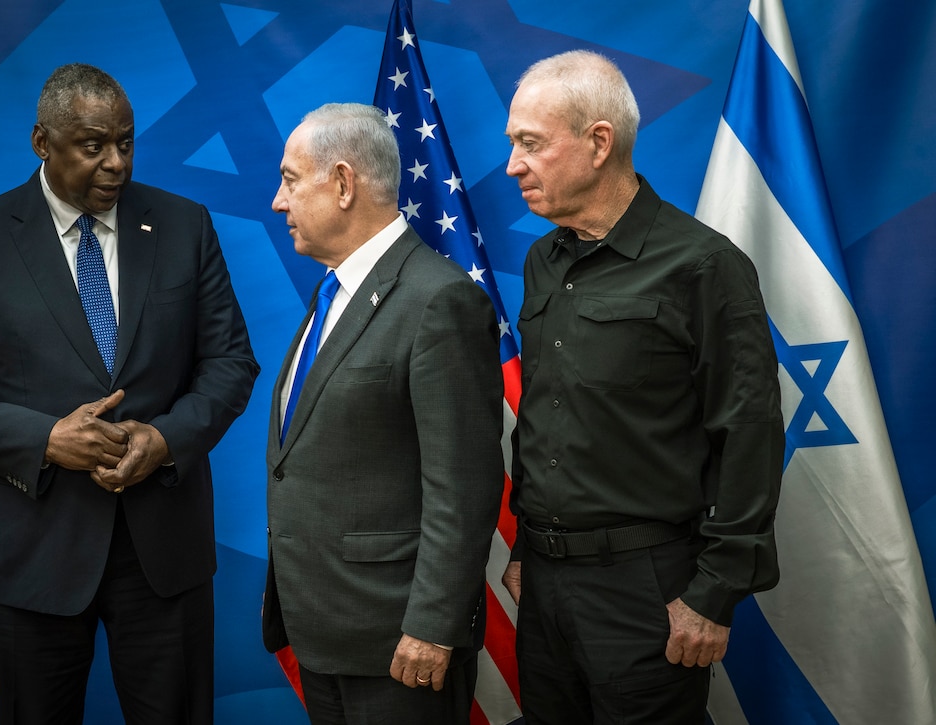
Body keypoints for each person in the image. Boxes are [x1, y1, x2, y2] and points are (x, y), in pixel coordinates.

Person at [0, 63, 258, 724]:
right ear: (43, 142)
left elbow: (231, 362)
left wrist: (163, 439)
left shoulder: (184, 225)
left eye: (126, 142)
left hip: (164, 552)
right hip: (33, 553)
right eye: (93, 146)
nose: (116, 163)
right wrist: (45, 440)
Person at [501, 50, 784, 724]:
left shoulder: (703, 265)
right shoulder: (546, 260)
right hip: (543, 581)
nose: (513, 165)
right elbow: (547, 419)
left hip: (646, 588)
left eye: (530, 144)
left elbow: (748, 433)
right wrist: (522, 551)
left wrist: (714, 593)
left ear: (599, 142)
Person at [261, 102, 505, 724]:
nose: (278, 202)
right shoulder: (332, 292)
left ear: (343, 184)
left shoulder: (438, 300)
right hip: (323, 633)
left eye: (291, 180)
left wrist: (433, 626)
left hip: (398, 643)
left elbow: (465, 485)